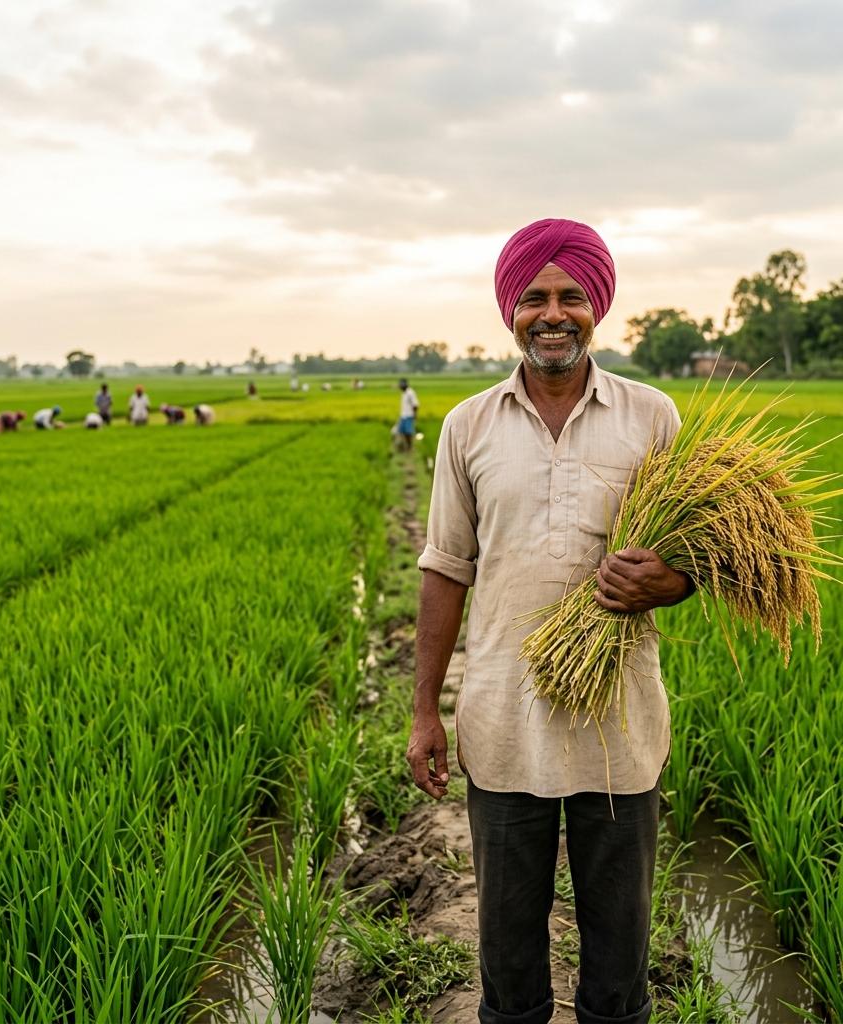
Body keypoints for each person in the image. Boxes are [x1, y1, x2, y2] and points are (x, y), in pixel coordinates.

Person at [406, 218, 695, 1024]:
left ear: (597, 307)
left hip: (619, 727)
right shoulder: (468, 426)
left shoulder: (652, 415)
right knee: (506, 962)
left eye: (571, 296)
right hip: (502, 724)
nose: (553, 313)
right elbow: (444, 567)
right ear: (511, 311)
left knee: (618, 964)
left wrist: (669, 582)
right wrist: (426, 710)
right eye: (534, 298)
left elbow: (691, 557)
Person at [396, 378, 419, 451]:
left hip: (409, 415)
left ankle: (409, 446)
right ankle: (405, 446)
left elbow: (415, 405)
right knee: (402, 431)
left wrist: (415, 415)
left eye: (401, 385)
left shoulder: (410, 392)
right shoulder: (404, 393)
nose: (400, 387)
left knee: (408, 432)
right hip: (403, 415)